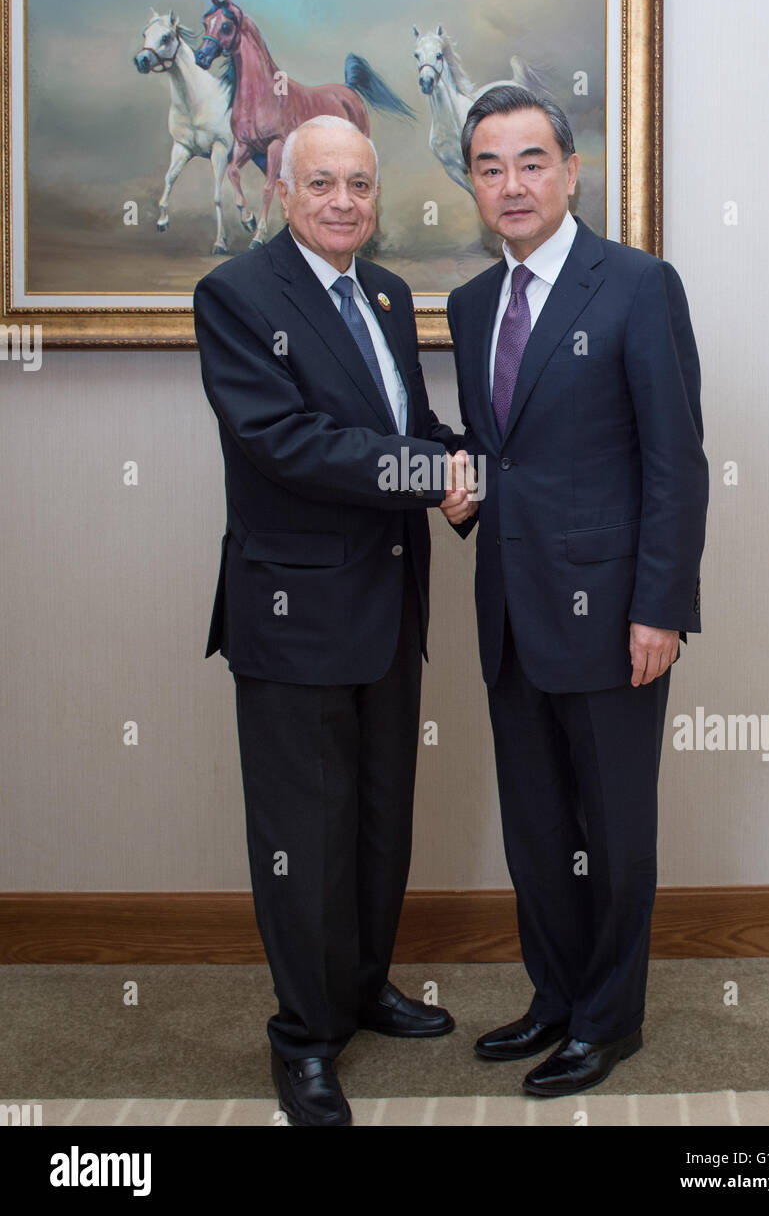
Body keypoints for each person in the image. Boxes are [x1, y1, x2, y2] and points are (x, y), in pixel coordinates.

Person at [194, 114, 473, 1127]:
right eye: (323, 183)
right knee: (302, 837)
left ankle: (359, 987)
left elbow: (408, 428)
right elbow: (288, 440)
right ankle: (304, 1038)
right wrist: (430, 473)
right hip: (294, 612)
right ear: (280, 185)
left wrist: (470, 470)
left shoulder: (388, 294)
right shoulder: (235, 295)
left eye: (360, 182)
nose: (345, 201)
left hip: (388, 604)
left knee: (376, 818)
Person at [442, 85, 709, 1096]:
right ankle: (552, 998)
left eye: (531, 162)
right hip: (511, 608)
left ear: (571, 169)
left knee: (614, 826)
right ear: (470, 181)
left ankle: (607, 1020)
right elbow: (497, 448)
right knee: (537, 828)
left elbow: (673, 462)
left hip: (614, 616)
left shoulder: (638, 286)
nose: (511, 185)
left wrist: (660, 607)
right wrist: (460, 485)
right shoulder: (472, 306)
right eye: (490, 166)